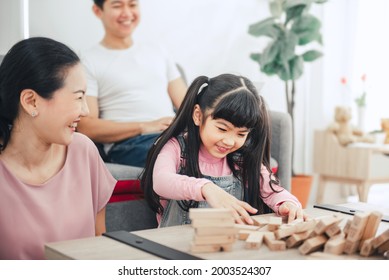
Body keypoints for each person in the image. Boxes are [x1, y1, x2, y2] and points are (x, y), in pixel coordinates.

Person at [0, 37, 116, 260]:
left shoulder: (84, 152)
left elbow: (100, 247)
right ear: (31, 101)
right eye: (79, 97)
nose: (85, 111)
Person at [141, 74, 306, 227]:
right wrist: (206, 188)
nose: (229, 141)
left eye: (241, 134)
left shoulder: (241, 158)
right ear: (198, 115)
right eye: (222, 128)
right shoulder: (176, 147)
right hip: (175, 249)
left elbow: (272, 192)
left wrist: (288, 204)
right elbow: (161, 181)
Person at [77, 0, 187, 167]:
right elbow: (86, 126)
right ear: (98, 11)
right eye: (117, 5)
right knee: (182, 156)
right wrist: (145, 126)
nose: (127, 13)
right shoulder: (88, 61)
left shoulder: (158, 50)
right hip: (129, 144)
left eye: (132, 5)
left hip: (172, 135)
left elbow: (188, 104)